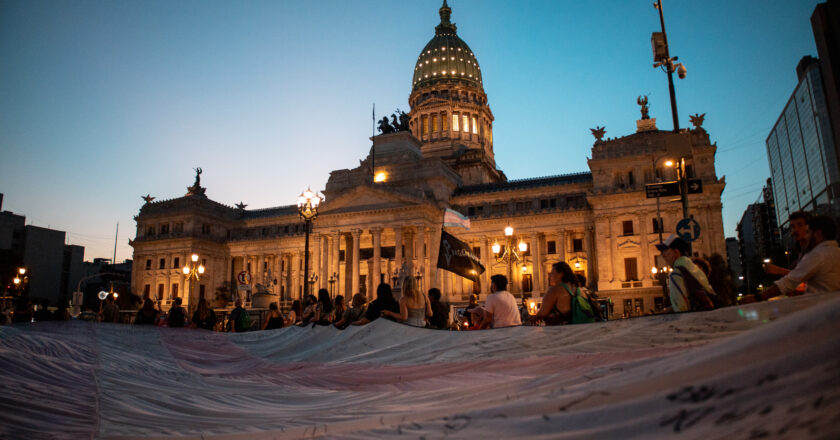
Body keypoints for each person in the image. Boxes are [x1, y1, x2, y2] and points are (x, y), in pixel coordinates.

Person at [747, 215, 840, 302]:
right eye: (792, 226)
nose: (795, 230)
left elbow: (790, 281)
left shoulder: (818, 254)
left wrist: (757, 297)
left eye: (802, 226)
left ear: (818, 233)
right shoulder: (831, 251)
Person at [657, 234, 717, 312]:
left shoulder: (676, 274)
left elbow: (681, 309)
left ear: (676, 252)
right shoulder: (694, 269)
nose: (663, 255)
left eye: (665, 250)